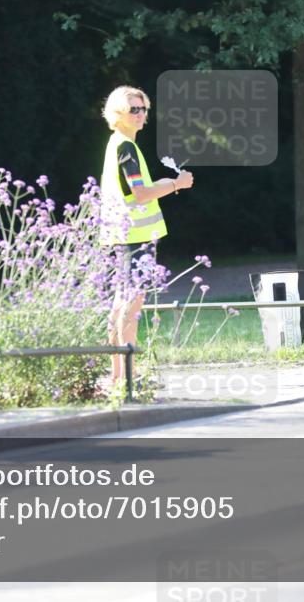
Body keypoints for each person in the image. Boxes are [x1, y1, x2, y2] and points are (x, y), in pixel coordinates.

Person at [99, 85, 194, 391]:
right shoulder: (125, 147)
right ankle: (126, 375)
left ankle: (118, 375)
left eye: (143, 109)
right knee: (131, 307)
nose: (141, 114)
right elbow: (139, 194)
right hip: (133, 238)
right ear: (117, 114)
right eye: (133, 109)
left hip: (121, 236)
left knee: (120, 305)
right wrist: (176, 184)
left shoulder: (118, 144)